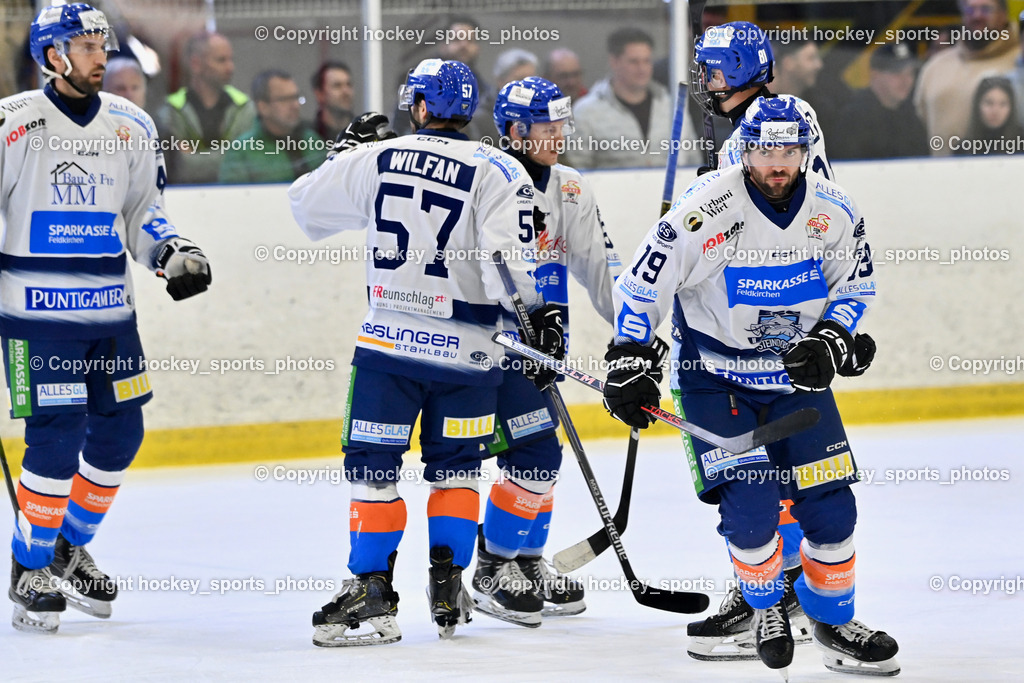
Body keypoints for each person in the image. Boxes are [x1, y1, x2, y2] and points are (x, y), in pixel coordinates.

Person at [602, 96, 898, 678]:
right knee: (752, 508)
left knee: (833, 508)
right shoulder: (706, 208)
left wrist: (833, 339)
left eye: (790, 150)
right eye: (766, 150)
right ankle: (764, 609)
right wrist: (630, 359)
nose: (778, 163)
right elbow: (642, 286)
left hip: (794, 380)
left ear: (807, 152)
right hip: (715, 378)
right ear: (745, 148)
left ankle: (835, 622)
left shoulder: (834, 210)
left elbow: (855, 286)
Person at [288, 59, 562, 647]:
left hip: (389, 346)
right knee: (458, 471)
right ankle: (449, 586)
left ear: (416, 106)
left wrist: (341, 155)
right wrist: (537, 320)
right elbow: (506, 264)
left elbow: (305, 207)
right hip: (471, 359)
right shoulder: (499, 168)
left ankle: (372, 595)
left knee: (372, 472)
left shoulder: (376, 157)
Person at [4, 3, 211, 635]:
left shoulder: (132, 123)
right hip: (36, 320)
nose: (102, 56)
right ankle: (29, 565)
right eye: (86, 46)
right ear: (51, 56)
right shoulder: (13, 125)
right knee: (56, 437)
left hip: (110, 316)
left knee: (121, 437)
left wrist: (171, 252)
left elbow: (143, 213)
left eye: (103, 43)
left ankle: (65, 544)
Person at [684, 22, 881, 665]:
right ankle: (769, 592)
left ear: (740, 69)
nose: (704, 84)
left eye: (712, 72)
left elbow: (800, 220)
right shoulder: (745, 124)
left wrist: (828, 330)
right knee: (750, 485)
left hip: (775, 317)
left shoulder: (784, 120)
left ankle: (784, 595)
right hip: (727, 320)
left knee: (799, 475)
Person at [472, 77, 623, 626]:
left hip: (537, 347)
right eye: (546, 126)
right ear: (515, 131)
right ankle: (491, 568)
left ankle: (527, 561)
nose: (558, 134)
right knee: (534, 454)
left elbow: (600, 270)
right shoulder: (485, 180)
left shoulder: (571, 188)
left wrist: (636, 333)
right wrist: (528, 320)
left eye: (562, 123)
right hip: (488, 345)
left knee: (540, 456)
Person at [571, 27, 699, 168]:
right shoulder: (586, 112)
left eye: (647, 61)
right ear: (614, 62)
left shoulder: (671, 105)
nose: (642, 68)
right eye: (634, 61)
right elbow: (577, 171)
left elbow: (692, 159)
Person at [914, 0, 1018, 155]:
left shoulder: (1019, 61)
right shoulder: (936, 67)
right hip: (944, 174)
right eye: (970, 10)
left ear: (1003, 15)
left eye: (986, 9)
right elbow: (921, 124)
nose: (977, 16)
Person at [156, 31, 255, 182]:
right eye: (221, 60)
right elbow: (179, 167)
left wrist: (194, 156)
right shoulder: (170, 111)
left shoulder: (245, 108)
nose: (230, 67)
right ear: (196, 64)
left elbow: (248, 162)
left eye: (231, 59)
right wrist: (231, 153)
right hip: (186, 198)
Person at [219, 69, 324, 184]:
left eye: (296, 97)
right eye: (285, 99)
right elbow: (232, 197)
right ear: (263, 107)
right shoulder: (241, 152)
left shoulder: (312, 140)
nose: (295, 105)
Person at [831, 43, 929, 160]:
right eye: (897, 73)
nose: (906, 80)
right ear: (875, 75)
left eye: (910, 73)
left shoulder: (911, 115)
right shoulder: (855, 117)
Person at [957, 75, 1024, 153]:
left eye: (1003, 104)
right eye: (989, 103)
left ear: (1011, 107)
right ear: (978, 105)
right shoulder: (964, 148)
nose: (995, 111)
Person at [311, 60, 354, 142]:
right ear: (319, 94)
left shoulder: (364, 134)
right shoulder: (309, 139)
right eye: (337, 86)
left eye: (349, 84)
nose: (346, 91)